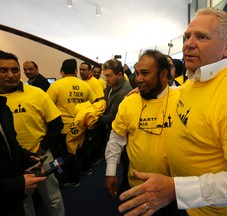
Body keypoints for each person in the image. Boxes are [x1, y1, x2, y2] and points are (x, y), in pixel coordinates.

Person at [118, 8, 227, 216]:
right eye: (187, 36)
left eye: (201, 37)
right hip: (190, 206)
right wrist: (144, 89)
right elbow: (184, 96)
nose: (188, 44)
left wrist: (176, 190)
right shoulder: (194, 83)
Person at [104, 50, 180, 215]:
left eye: (145, 73)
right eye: (137, 73)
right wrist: (110, 171)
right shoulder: (128, 103)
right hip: (136, 186)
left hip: (172, 190)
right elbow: (116, 139)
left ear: (163, 74)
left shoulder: (183, 98)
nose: (138, 79)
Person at [0, 50, 65, 216]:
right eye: (3, 70)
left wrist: (43, 148)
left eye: (15, 70)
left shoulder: (36, 93)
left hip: (40, 157)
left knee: (53, 197)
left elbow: (57, 124)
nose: (10, 75)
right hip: (12, 164)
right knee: (22, 203)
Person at [47, 58, 98, 186]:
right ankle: (86, 169)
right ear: (76, 70)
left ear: (61, 71)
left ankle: (73, 179)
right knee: (83, 148)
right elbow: (94, 103)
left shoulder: (56, 85)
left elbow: (47, 106)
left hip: (65, 128)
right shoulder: (85, 85)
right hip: (82, 125)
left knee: (69, 154)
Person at [0, 95, 47, 216]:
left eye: (15, 73)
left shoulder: (3, 109)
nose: (10, 75)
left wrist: (27, 157)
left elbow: (11, 144)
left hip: (13, 201)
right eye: (4, 73)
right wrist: (16, 186)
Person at [95, 59, 132, 166]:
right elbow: (105, 101)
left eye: (109, 76)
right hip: (112, 129)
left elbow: (112, 117)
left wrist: (92, 119)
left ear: (120, 75)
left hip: (122, 134)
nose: (106, 79)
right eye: (105, 76)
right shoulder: (110, 85)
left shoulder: (124, 92)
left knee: (124, 161)